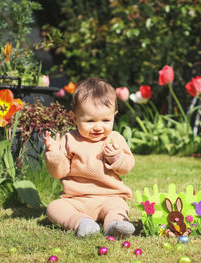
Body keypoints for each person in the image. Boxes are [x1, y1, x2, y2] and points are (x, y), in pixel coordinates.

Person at [44, 78, 135, 238]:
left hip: (109, 196)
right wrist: (54, 155)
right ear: (74, 118)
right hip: (76, 199)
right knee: (54, 207)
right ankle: (82, 223)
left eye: (106, 120)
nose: (98, 126)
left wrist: (115, 158)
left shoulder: (115, 139)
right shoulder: (70, 140)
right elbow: (59, 173)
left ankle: (114, 224)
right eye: (90, 121)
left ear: (114, 115)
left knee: (118, 207)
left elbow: (127, 166)